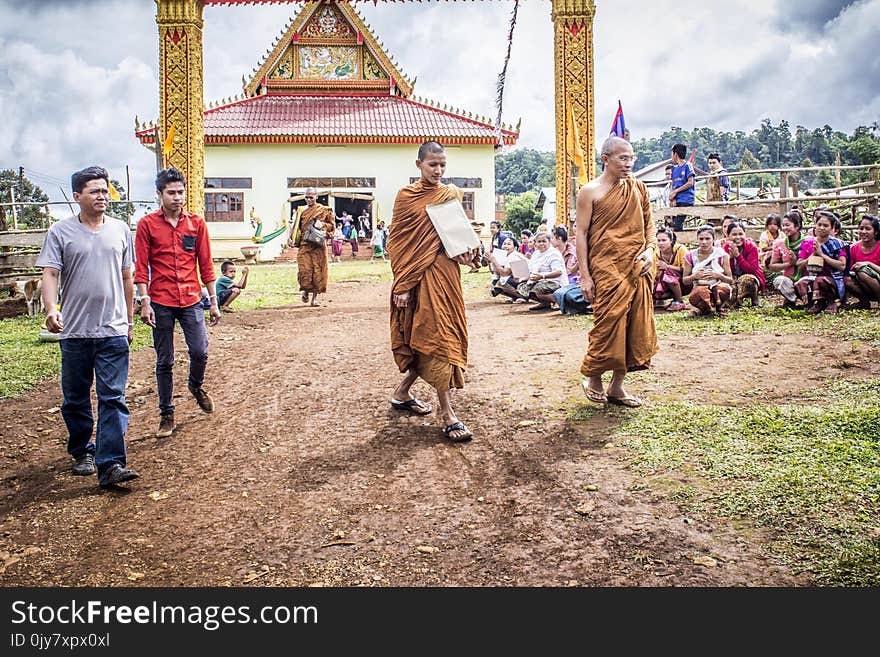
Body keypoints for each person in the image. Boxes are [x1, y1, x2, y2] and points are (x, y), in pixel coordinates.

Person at [37, 166, 139, 488]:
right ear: (77, 196)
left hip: (113, 331)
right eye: (95, 191)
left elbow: (128, 278)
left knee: (113, 397)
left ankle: (110, 464)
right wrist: (52, 308)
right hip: (75, 332)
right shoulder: (60, 232)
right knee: (76, 398)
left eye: (105, 190)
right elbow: (50, 274)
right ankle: (82, 450)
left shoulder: (121, 230)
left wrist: (130, 320)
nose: (102, 196)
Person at [387, 141, 481, 442]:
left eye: (442, 165)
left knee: (432, 337)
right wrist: (402, 284)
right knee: (437, 339)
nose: (438, 170)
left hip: (446, 275)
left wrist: (469, 254)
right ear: (419, 165)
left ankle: (402, 392)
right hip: (417, 279)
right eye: (432, 165)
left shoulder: (450, 193)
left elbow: (458, 234)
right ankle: (447, 413)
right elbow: (398, 243)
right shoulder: (406, 197)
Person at [135, 167, 221, 439]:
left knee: (200, 351)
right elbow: (141, 267)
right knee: (165, 360)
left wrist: (214, 301)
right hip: (160, 300)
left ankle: (195, 385)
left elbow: (205, 264)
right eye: (171, 193)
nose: (177, 197)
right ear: (159, 194)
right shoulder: (147, 225)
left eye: (180, 192)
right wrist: (145, 301)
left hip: (192, 298)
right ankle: (166, 414)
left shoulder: (196, 224)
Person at [577, 136, 657, 407]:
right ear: (606, 159)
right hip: (606, 267)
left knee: (634, 323)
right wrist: (585, 276)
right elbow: (581, 233)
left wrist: (649, 251)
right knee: (609, 321)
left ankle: (618, 386)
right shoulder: (590, 191)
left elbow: (649, 227)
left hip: (637, 264)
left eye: (631, 158)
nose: (629, 163)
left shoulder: (639, 188)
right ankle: (595, 375)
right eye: (623, 158)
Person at [794, 210, 848, 314]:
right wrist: (813, 255)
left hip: (833, 279)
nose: (822, 228)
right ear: (815, 225)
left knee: (821, 280)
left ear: (832, 228)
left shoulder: (838, 244)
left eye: (826, 225)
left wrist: (822, 255)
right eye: (819, 225)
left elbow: (842, 266)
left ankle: (832, 301)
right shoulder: (807, 242)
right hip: (813, 276)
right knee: (801, 284)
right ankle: (816, 303)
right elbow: (799, 265)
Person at [682, 225, 734, 317]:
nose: (704, 242)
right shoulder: (690, 256)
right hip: (699, 286)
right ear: (697, 239)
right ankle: (707, 308)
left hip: (718, 285)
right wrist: (694, 276)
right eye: (701, 239)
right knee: (700, 293)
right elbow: (685, 280)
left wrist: (718, 275)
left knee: (722, 290)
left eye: (707, 238)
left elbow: (730, 280)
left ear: (713, 239)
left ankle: (716, 307)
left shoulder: (721, 255)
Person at [295, 187, 335, 305]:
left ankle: (314, 298)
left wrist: (321, 225)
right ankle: (306, 291)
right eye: (306, 197)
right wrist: (291, 238)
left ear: (316, 197)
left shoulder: (324, 210)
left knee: (318, 270)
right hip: (305, 245)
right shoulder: (301, 211)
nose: (308, 200)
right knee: (304, 270)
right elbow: (296, 227)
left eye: (311, 197)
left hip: (318, 246)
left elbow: (332, 227)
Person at [514, 231, 567, 310]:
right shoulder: (536, 254)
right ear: (535, 243)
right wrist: (522, 278)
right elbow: (531, 272)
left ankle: (558, 301)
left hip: (555, 282)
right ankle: (545, 303)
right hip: (538, 281)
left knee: (538, 288)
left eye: (544, 241)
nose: (541, 244)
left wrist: (542, 276)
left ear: (549, 242)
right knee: (522, 288)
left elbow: (559, 272)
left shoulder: (553, 254)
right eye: (539, 241)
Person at [767, 209, 806, 308]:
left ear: (797, 226)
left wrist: (798, 262)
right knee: (779, 281)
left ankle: (809, 300)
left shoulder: (809, 242)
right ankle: (791, 300)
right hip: (789, 279)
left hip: (806, 279)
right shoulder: (779, 244)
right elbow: (772, 266)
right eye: (783, 225)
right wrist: (790, 264)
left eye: (788, 225)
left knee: (807, 282)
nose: (784, 228)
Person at [722, 221, 765, 308]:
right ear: (728, 236)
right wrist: (730, 258)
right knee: (730, 301)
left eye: (741, 234)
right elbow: (726, 271)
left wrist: (738, 256)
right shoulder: (726, 247)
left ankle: (754, 299)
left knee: (748, 280)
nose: (738, 237)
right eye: (734, 234)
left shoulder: (751, 247)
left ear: (745, 234)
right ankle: (735, 300)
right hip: (734, 276)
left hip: (750, 276)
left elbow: (751, 270)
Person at [845, 214, 880, 308]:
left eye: (868, 229)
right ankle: (864, 301)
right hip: (863, 284)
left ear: (875, 232)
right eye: (861, 228)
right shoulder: (853, 248)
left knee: (863, 271)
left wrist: (869, 264)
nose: (863, 231)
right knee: (846, 278)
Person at [653, 227, 689, 311]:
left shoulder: (680, 249)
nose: (661, 243)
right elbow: (654, 274)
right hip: (665, 284)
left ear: (671, 240)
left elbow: (687, 269)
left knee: (668, 273)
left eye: (664, 240)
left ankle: (679, 302)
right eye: (658, 240)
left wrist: (667, 267)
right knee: (654, 292)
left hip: (685, 283)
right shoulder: (655, 254)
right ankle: (665, 301)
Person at [487, 236, 526, 300]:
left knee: (503, 281)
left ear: (515, 248)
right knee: (496, 281)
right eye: (504, 244)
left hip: (524, 282)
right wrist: (490, 261)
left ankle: (522, 296)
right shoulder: (504, 256)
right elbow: (494, 272)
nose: (505, 246)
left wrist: (494, 260)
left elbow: (504, 273)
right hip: (517, 280)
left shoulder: (514, 256)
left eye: (509, 244)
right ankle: (515, 297)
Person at [668, 143, 695, 231]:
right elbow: (673, 184)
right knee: (673, 223)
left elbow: (690, 182)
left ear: (675, 154)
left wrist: (675, 192)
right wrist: (673, 198)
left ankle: (678, 242)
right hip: (677, 200)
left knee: (676, 225)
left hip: (686, 199)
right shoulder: (674, 169)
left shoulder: (687, 165)